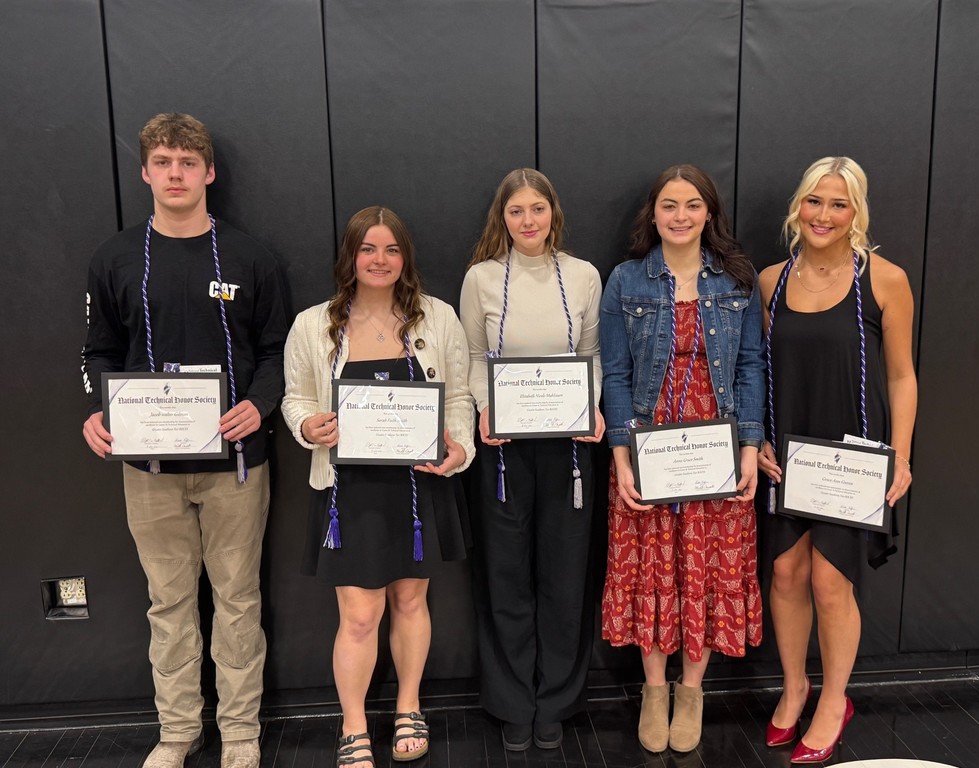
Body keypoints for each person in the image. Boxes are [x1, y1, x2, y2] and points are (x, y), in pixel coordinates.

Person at [81, 113, 288, 768]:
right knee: (167, 602)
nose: (176, 174)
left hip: (236, 463)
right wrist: (99, 410)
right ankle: (177, 731)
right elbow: (98, 352)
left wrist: (259, 405)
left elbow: (278, 352)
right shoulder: (114, 258)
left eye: (188, 163)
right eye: (164, 162)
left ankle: (241, 731)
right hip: (147, 465)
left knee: (237, 599)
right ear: (145, 172)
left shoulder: (251, 257)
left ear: (209, 173)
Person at [281, 206, 474, 768]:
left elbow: (459, 396)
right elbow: (296, 398)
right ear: (351, 256)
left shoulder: (437, 318)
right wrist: (307, 426)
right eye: (368, 249)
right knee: (360, 616)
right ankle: (354, 724)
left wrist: (459, 448)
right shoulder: (313, 324)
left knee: (411, 600)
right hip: (348, 491)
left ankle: (409, 706)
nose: (380, 260)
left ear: (405, 257)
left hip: (418, 486)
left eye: (392, 250)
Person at [600, 165, 765, 753]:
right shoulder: (625, 280)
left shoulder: (738, 279)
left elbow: (750, 366)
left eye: (692, 205)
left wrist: (750, 447)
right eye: (669, 205)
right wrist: (621, 457)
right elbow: (615, 374)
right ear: (653, 213)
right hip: (649, 445)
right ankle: (654, 689)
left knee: (705, 565)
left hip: (716, 447)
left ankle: (691, 690)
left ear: (709, 213)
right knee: (652, 564)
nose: (680, 216)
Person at [757, 156, 917, 763]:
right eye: (814, 201)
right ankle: (794, 686)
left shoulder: (885, 280)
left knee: (830, 583)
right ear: (799, 206)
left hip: (851, 458)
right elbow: (758, 370)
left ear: (857, 212)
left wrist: (900, 457)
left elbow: (901, 376)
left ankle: (833, 700)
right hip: (789, 451)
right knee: (785, 574)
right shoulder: (771, 281)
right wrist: (758, 438)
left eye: (838, 204)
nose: (823, 215)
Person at [459, 169, 604, 751]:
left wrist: (592, 405)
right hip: (504, 451)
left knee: (565, 576)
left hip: (570, 450)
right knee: (506, 575)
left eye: (537, 209)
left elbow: (592, 353)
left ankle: (558, 701)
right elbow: (473, 356)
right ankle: (513, 700)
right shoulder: (481, 278)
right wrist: (484, 408)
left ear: (553, 213)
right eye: (516, 211)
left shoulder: (584, 275)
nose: (528, 220)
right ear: (503, 217)